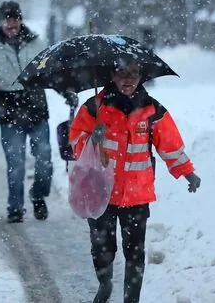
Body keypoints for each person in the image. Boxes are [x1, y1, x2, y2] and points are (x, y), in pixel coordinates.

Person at [69, 62, 201, 303]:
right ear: (112, 74)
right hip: (101, 191)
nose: (128, 79)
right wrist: (91, 140)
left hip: (137, 194)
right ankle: (105, 283)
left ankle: (132, 300)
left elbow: (170, 145)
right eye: (122, 73)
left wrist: (187, 171)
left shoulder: (153, 110)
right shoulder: (94, 107)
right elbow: (75, 142)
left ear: (141, 76)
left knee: (135, 252)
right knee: (102, 247)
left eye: (134, 73)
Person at [0, 0, 76, 223]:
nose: (11, 24)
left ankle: (38, 195)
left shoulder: (36, 43)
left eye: (15, 19)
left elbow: (51, 73)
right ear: (0, 22)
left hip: (36, 108)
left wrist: (66, 91)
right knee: (16, 164)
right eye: (7, 20)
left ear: (21, 20)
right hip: (9, 112)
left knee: (44, 159)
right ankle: (15, 207)